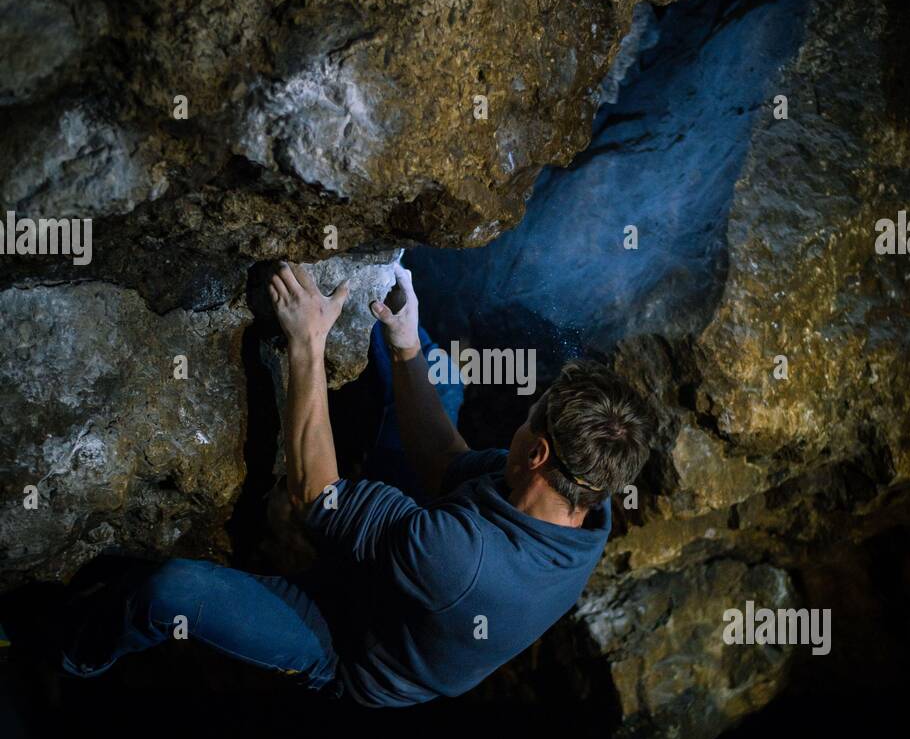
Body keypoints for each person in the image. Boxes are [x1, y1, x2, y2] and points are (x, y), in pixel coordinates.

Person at [60, 261, 651, 708]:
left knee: (171, 589)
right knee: (436, 371)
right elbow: (445, 460)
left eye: (529, 420)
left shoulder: (460, 558)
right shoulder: (583, 508)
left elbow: (316, 496)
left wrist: (307, 343)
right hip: (424, 570)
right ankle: (365, 330)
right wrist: (407, 343)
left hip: (348, 638)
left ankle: (72, 651)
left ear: (539, 453)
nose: (520, 423)